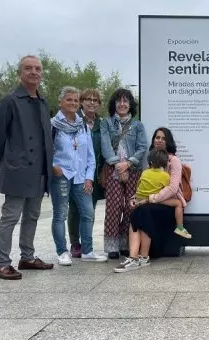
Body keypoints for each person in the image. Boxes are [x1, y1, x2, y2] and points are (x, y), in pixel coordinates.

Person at [0, 55, 55, 280]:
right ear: (20, 73)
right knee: (10, 217)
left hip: (39, 171)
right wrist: (8, 162)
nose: (34, 72)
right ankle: (2, 263)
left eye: (38, 68)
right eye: (29, 68)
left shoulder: (44, 102)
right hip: (18, 170)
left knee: (33, 216)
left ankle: (27, 256)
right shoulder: (9, 101)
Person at [49, 86, 107, 265]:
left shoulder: (83, 126)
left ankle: (87, 250)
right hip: (62, 175)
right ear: (61, 102)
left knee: (88, 213)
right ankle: (62, 252)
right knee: (60, 214)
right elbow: (45, 151)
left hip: (82, 177)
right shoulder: (52, 125)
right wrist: (53, 166)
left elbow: (90, 155)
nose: (73, 103)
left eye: (75, 100)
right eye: (69, 100)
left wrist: (89, 177)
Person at [114, 127, 183, 272]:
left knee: (142, 211)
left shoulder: (174, 160)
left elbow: (173, 188)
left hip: (166, 206)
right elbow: (145, 185)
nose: (159, 140)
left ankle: (137, 258)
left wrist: (151, 199)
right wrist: (135, 198)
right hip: (149, 205)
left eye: (163, 138)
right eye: (157, 137)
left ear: (168, 141)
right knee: (139, 211)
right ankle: (138, 257)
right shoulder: (152, 158)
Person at [100, 88, 148, 260]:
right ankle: (112, 246)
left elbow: (142, 147)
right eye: (119, 101)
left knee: (131, 207)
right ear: (114, 104)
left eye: (126, 101)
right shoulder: (106, 123)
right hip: (113, 169)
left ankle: (125, 243)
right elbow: (105, 145)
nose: (122, 104)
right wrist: (118, 165)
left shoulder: (137, 125)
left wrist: (128, 164)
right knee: (113, 207)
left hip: (133, 170)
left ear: (130, 105)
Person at [67, 88, 105, 258]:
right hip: (76, 174)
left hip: (95, 175)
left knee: (90, 210)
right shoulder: (75, 121)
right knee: (75, 209)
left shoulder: (102, 124)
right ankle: (75, 243)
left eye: (95, 100)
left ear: (99, 104)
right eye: (88, 99)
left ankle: (87, 245)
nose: (91, 102)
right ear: (81, 102)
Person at [130, 148, 189, 238]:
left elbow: (139, 186)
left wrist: (135, 197)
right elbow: (169, 190)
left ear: (151, 163)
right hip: (155, 199)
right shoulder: (165, 176)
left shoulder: (145, 172)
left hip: (141, 199)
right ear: (165, 163)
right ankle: (180, 227)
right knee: (178, 203)